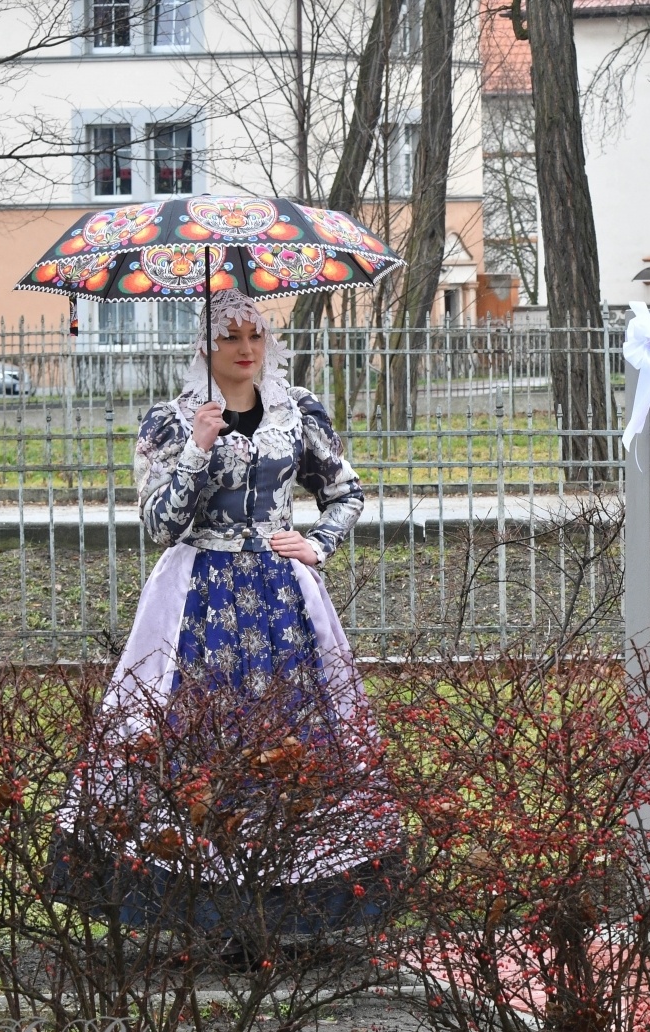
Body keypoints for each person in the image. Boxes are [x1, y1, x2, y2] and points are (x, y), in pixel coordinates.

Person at [54, 288, 395, 943]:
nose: (245, 349)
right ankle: (195, 913)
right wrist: (198, 450)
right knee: (192, 741)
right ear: (205, 347)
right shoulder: (171, 421)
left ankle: (286, 915)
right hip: (194, 605)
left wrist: (316, 543)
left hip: (283, 605)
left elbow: (346, 491)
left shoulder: (296, 414)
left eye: (255, 335)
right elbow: (159, 523)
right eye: (230, 336)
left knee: (294, 740)